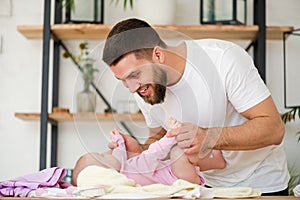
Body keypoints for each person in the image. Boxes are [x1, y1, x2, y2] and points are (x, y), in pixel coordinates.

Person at [102, 18, 290, 195]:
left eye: (134, 75)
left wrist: (209, 137)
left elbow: (273, 129)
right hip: (203, 187)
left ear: (158, 55)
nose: (131, 88)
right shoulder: (144, 88)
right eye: (123, 80)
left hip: (260, 184)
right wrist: (140, 151)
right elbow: (160, 137)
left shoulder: (223, 59)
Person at [72, 118, 226, 186]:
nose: (105, 153)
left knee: (179, 158)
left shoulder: (123, 177)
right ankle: (213, 162)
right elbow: (154, 153)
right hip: (181, 179)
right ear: (107, 173)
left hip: (173, 174)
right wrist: (170, 135)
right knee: (177, 151)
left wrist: (120, 141)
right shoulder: (131, 168)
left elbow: (120, 155)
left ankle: (215, 162)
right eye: (101, 157)